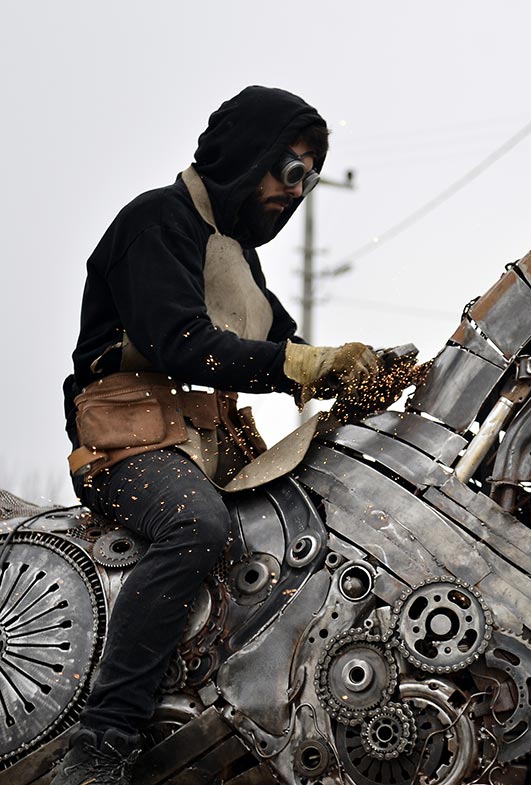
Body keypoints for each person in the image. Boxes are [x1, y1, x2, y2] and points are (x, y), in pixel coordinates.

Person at [53, 86, 377, 785]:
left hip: (213, 445)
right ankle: (102, 741)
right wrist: (301, 365)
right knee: (196, 525)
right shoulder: (153, 224)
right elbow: (181, 340)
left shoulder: (235, 255)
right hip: (129, 445)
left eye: (310, 179)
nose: (297, 193)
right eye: (290, 171)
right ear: (245, 156)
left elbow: (281, 344)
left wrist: (366, 372)